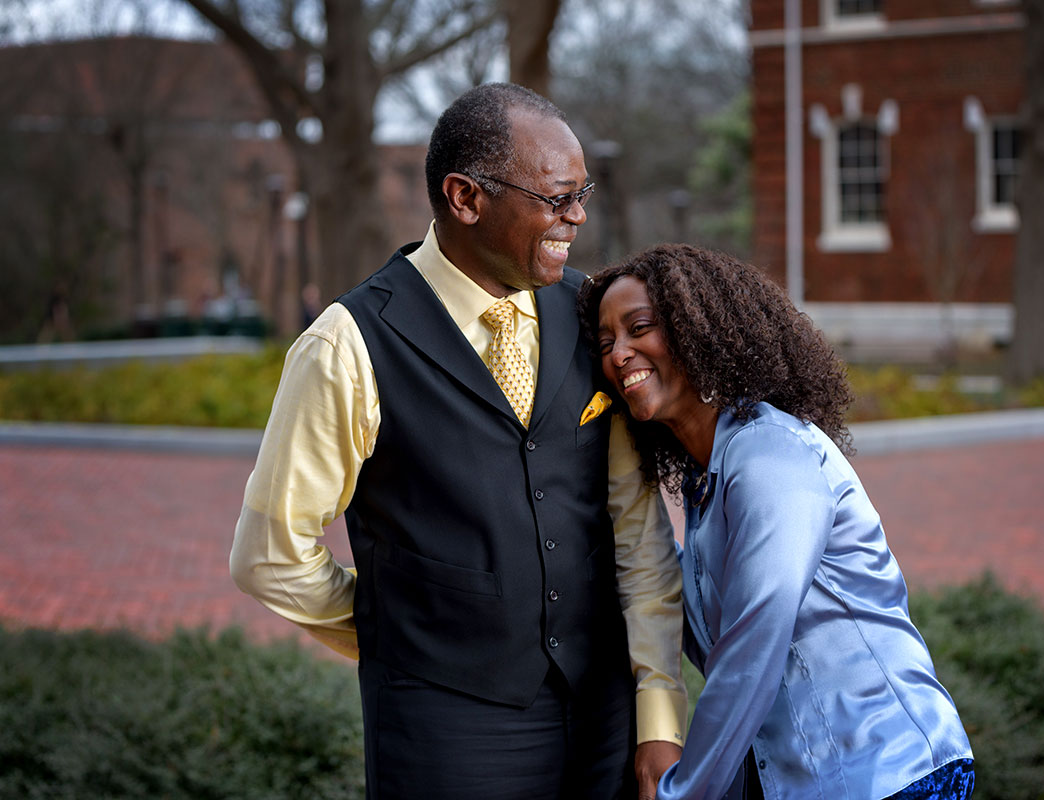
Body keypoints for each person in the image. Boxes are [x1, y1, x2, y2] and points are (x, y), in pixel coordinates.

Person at [230, 84, 687, 800]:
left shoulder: (593, 316)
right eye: (557, 196)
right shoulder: (347, 344)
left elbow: (639, 533)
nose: (578, 215)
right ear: (465, 197)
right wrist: (405, 636)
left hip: (606, 721)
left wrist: (659, 713)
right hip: (444, 737)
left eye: (582, 192)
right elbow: (270, 556)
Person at [579, 244, 975, 800]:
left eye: (639, 327)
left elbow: (752, 643)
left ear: (699, 329)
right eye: (605, 342)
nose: (619, 354)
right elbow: (679, 614)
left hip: (887, 774)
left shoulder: (769, 455)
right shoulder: (705, 477)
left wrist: (684, 793)